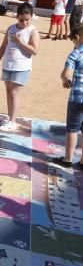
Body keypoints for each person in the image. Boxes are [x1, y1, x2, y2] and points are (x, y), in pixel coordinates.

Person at [0, 2, 39, 132]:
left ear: (31, 17)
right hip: (8, 64)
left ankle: (13, 121)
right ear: (17, 17)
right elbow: (3, 45)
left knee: (14, 92)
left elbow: (35, 51)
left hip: (22, 67)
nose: (24, 23)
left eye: (27, 20)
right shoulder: (11, 28)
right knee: (8, 91)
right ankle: (9, 117)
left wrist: (20, 42)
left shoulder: (32, 31)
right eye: (21, 20)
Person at [54, 23, 83, 168]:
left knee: (72, 129)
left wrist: (66, 79)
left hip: (77, 98)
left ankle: (68, 159)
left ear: (77, 38)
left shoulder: (75, 53)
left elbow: (66, 73)